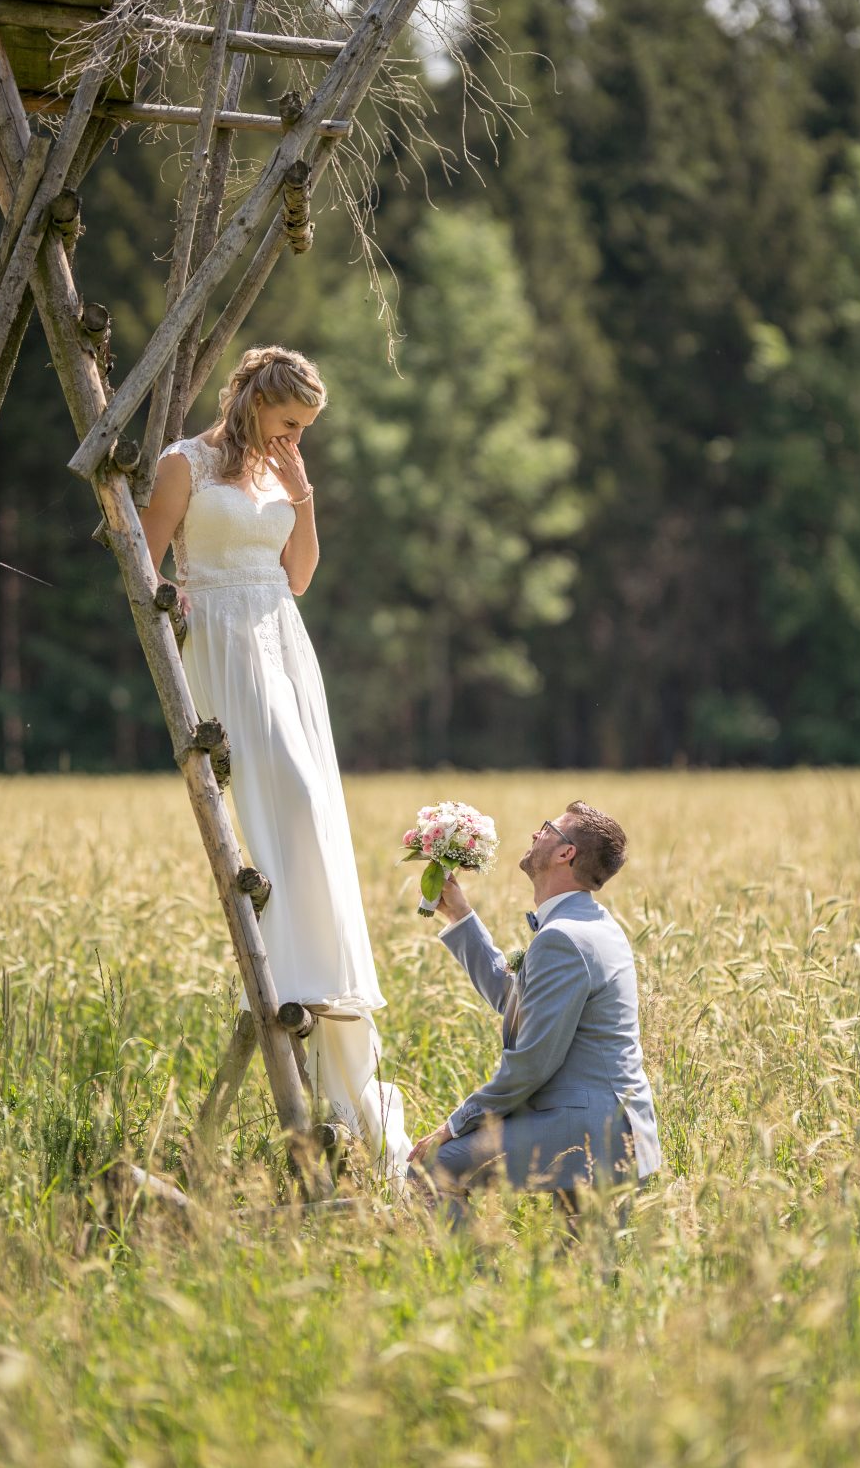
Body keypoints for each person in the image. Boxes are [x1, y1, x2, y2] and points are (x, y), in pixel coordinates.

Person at [141, 344, 410, 1179]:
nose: (297, 438)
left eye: (306, 429)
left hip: (281, 643)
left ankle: (317, 969)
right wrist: (172, 603)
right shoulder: (184, 463)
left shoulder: (281, 477)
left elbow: (299, 578)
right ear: (257, 401)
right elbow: (140, 559)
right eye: (290, 423)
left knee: (314, 805)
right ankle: (293, 958)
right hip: (219, 637)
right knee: (282, 794)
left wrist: (303, 496)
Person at [408, 801, 661, 1208]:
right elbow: (519, 1003)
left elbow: (531, 1061)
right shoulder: (591, 924)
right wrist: (460, 914)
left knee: (433, 1166)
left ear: (566, 853)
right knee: (581, 1266)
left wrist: (454, 1126)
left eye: (547, 828)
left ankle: (465, 1274)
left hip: (588, 1129)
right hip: (615, 1127)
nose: (534, 834)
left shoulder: (563, 937)